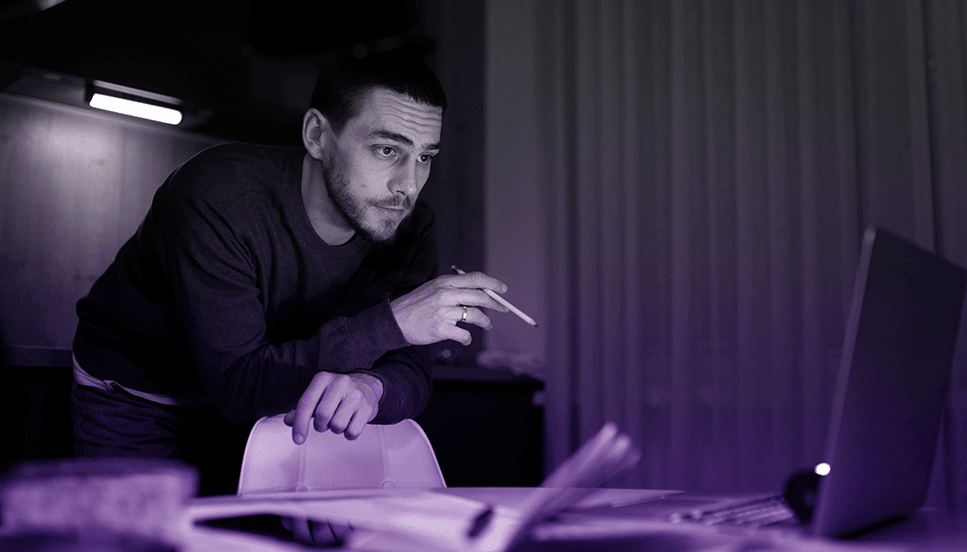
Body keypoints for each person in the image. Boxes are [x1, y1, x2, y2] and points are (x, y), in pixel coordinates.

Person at [70, 50, 509, 495]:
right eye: (387, 150)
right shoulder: (218, 198)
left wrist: (372, 385)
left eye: (425, 156)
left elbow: (410, 368)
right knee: (144, 529)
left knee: (258, 532)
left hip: (273, 404)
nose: (409, 186)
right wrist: (393, 323)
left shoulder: (409, 225)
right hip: (137, 396)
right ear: (317, 135)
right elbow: (239, 386)